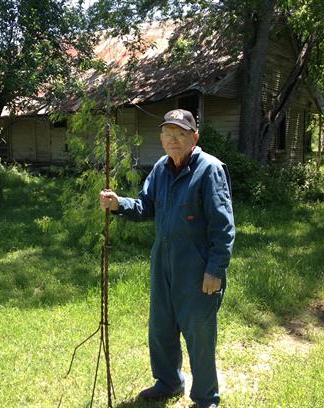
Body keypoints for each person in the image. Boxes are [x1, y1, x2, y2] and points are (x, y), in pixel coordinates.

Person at [99, 109, 235, 408]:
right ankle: (168, 382)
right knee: (161, 327)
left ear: (194, 137)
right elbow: (146, 206)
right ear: (161, 139)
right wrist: (119, 204)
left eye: (180, 134)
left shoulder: (210, 170)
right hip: (163, 262)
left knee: (199, 334)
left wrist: (215, 269)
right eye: (168, 134)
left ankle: (206, 398)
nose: (173, 140)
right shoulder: (161, 168)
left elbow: (223, 226)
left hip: (197, 267)